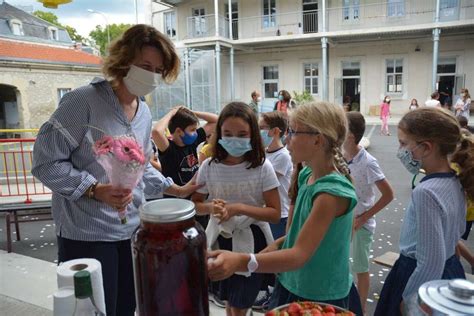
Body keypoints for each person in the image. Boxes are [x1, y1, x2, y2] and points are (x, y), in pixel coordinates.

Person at [31, 25, 201, 316]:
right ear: (123, 62)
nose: (152, 75)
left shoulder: (143, 112)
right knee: (94, 309)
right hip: (87, 232)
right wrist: (94, 189)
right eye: (146, 66)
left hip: (133, 229)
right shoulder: (82, 102)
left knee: (126, 306)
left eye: (159, 69)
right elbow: (45, 162)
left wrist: (178, 189)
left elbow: (141, 167)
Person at [207, 102, 363, 315]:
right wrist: (270, 249)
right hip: (292, 281)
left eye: (293, 131)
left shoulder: (331, 194)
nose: (287, 139)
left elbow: (299, 254)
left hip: (319, 294)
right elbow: (295, 236)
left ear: (317, 139)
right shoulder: (307, 176)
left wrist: (243, 261)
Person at [375, 107, 473, 315]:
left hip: (420, 280)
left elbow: (430, 261)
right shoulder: (457, 180)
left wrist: (411, 301)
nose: (399, 150)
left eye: (403, 143)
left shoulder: (426, 192)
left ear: (426, 147)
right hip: (450, 271)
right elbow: (454, 236)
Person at [191, 102, 281, 316]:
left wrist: (239, 208)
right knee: (230, 301)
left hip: (251, 240)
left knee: (241, 304)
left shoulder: (262, 167)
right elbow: (194, 205)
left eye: (242, 134)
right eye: (228, 133)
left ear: (253, 135)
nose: (234, 139)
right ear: (219, 133)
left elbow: (275, 213)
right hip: (220, 239)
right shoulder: (209, 166)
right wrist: (212, 207)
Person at [343, 111, 394, 314]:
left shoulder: (368, 162)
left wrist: (364, 217)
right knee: (341, 266)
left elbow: (388, 194)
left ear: (351, 136)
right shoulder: (341, 157)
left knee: (360, 269)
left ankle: (361, 309)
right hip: (343, 222)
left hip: (361, 225)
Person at [152, 106, 217, 193]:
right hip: (176, 199)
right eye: (192, 130)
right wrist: (172, 113)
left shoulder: (192, 142)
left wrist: (190, 112)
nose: (196, 133)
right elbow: (156, 132)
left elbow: (216, 120)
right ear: (179, 131)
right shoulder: (169, 148)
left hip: (193, 195)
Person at [259, 111, 293, 240]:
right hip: (266, 211)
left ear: (276, 131)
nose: (259, 132)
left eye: (262, 128)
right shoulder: (265, 152)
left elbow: (264, 180)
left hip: (280, 214)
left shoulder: (283, 156)